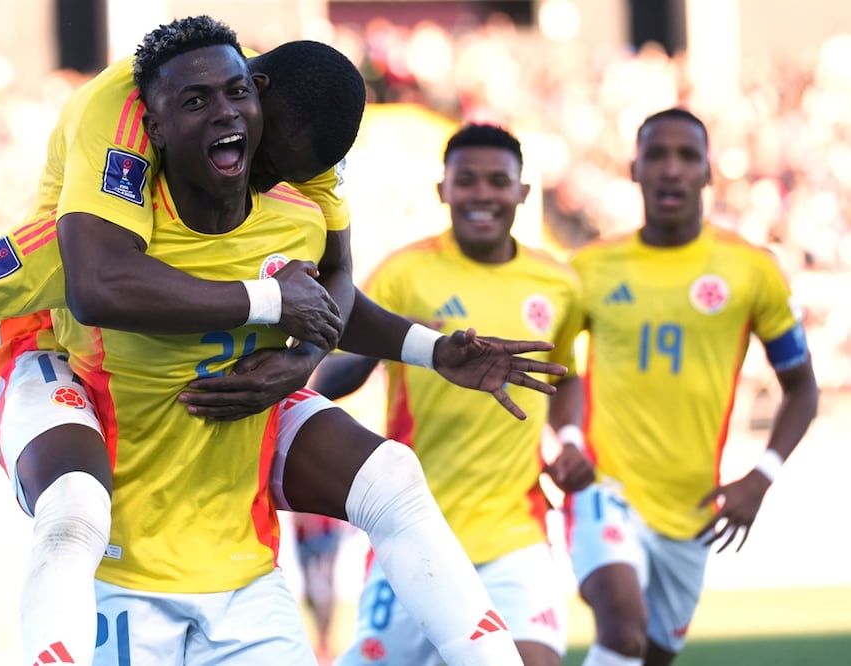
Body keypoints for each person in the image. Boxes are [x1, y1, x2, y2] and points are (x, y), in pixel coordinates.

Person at [0, 18, 561, 665]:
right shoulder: (86, 206)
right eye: (199, 104)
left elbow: (333, 291)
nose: (242, 143)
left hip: (227, 526)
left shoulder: (297, 199)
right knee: (75, 507)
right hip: (69, 362)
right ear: (155, 122)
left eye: (239, 103)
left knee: (388, 473)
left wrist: (418, 350)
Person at [310, 123, 595, 666]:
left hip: (516, 533)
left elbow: (566, 375)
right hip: (414, 533)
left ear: (523, 193)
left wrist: (573, 438)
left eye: (497, 181)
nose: (482, 195)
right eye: (466, 181)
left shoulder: (558, 282)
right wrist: (397, 344)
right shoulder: (403, 273)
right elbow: (330, 379)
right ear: (443, 190)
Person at [565, 107, 819, 666]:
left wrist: (763, 476)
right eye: (656, 155)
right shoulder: (587, 268)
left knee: (650, 656)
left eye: (687, 157)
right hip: (607, 490)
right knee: (623, 630)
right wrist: (565, 443)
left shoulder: (752, 270)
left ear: (709, 172)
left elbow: (802, 387)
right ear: (634, 169)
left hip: (695, 510)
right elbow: (557, 370)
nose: (671, 170)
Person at [291, 513, 345, 663]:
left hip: (326, 535)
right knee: (313, 593)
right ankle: (322, 643)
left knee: (325, 593)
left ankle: (325, 643)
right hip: (303, 538)